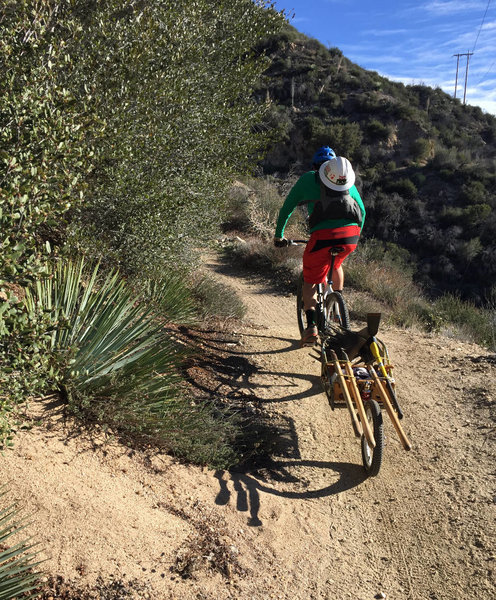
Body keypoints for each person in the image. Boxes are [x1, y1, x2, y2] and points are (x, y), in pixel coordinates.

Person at [274, 150, 365, 347]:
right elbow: (362, 211)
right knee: (336, 263)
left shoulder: (308, 179)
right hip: (350, 237)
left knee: (310, 281)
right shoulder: (345, 182)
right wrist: (355, 236)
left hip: (322, 238)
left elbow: (287, 208)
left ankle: (312, 327)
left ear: (318, 168)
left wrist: (279, 235)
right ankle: (337, 308)